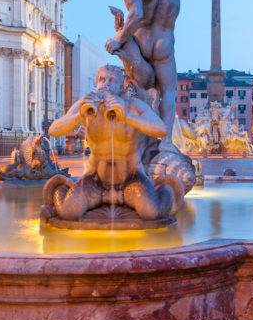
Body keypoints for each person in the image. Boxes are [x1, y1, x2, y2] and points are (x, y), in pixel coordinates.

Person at [47, 65, 179, 221]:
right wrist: (79, 116)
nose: (106, 84)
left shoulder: (133, 105)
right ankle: (63, 188)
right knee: (69, 213)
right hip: (95, 178)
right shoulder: (86, 103)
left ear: (121, 86)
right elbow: (54, 130)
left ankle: (165, 189)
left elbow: (160, 129)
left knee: (152, 213)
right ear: (96, 83)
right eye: (102, 80)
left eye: (112, 80)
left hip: (131, 177)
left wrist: (126, 116)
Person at [105, 0, 181, 152]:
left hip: (142, 43)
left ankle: (136, 141)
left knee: (134, 91)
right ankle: (165, 143)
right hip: (164, 43)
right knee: (168, 93)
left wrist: (118, 39)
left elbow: (136, 15)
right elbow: (173, 15)